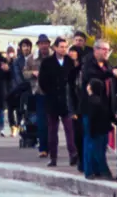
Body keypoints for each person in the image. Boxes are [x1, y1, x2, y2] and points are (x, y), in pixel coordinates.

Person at [41, 36, 77, 167]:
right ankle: (53, 157)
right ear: (55, 48)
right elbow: (42, 81)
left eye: (65, 47)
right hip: (52, 100)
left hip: (67, 100)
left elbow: (73, 80)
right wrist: (50, 93)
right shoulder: (47, 62)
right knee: (52, 130)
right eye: (61, 47)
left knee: (70, 128)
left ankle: (73, 154)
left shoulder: (69, 61)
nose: (64, 49)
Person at [83, 79, 114, 180]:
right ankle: (101, 171)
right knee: (100, 151)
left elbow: (90, 118)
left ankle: (90, 172)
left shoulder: (89, 101)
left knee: (91, 150)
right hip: (101, 130)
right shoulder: (101, 101)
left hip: (93, 130)